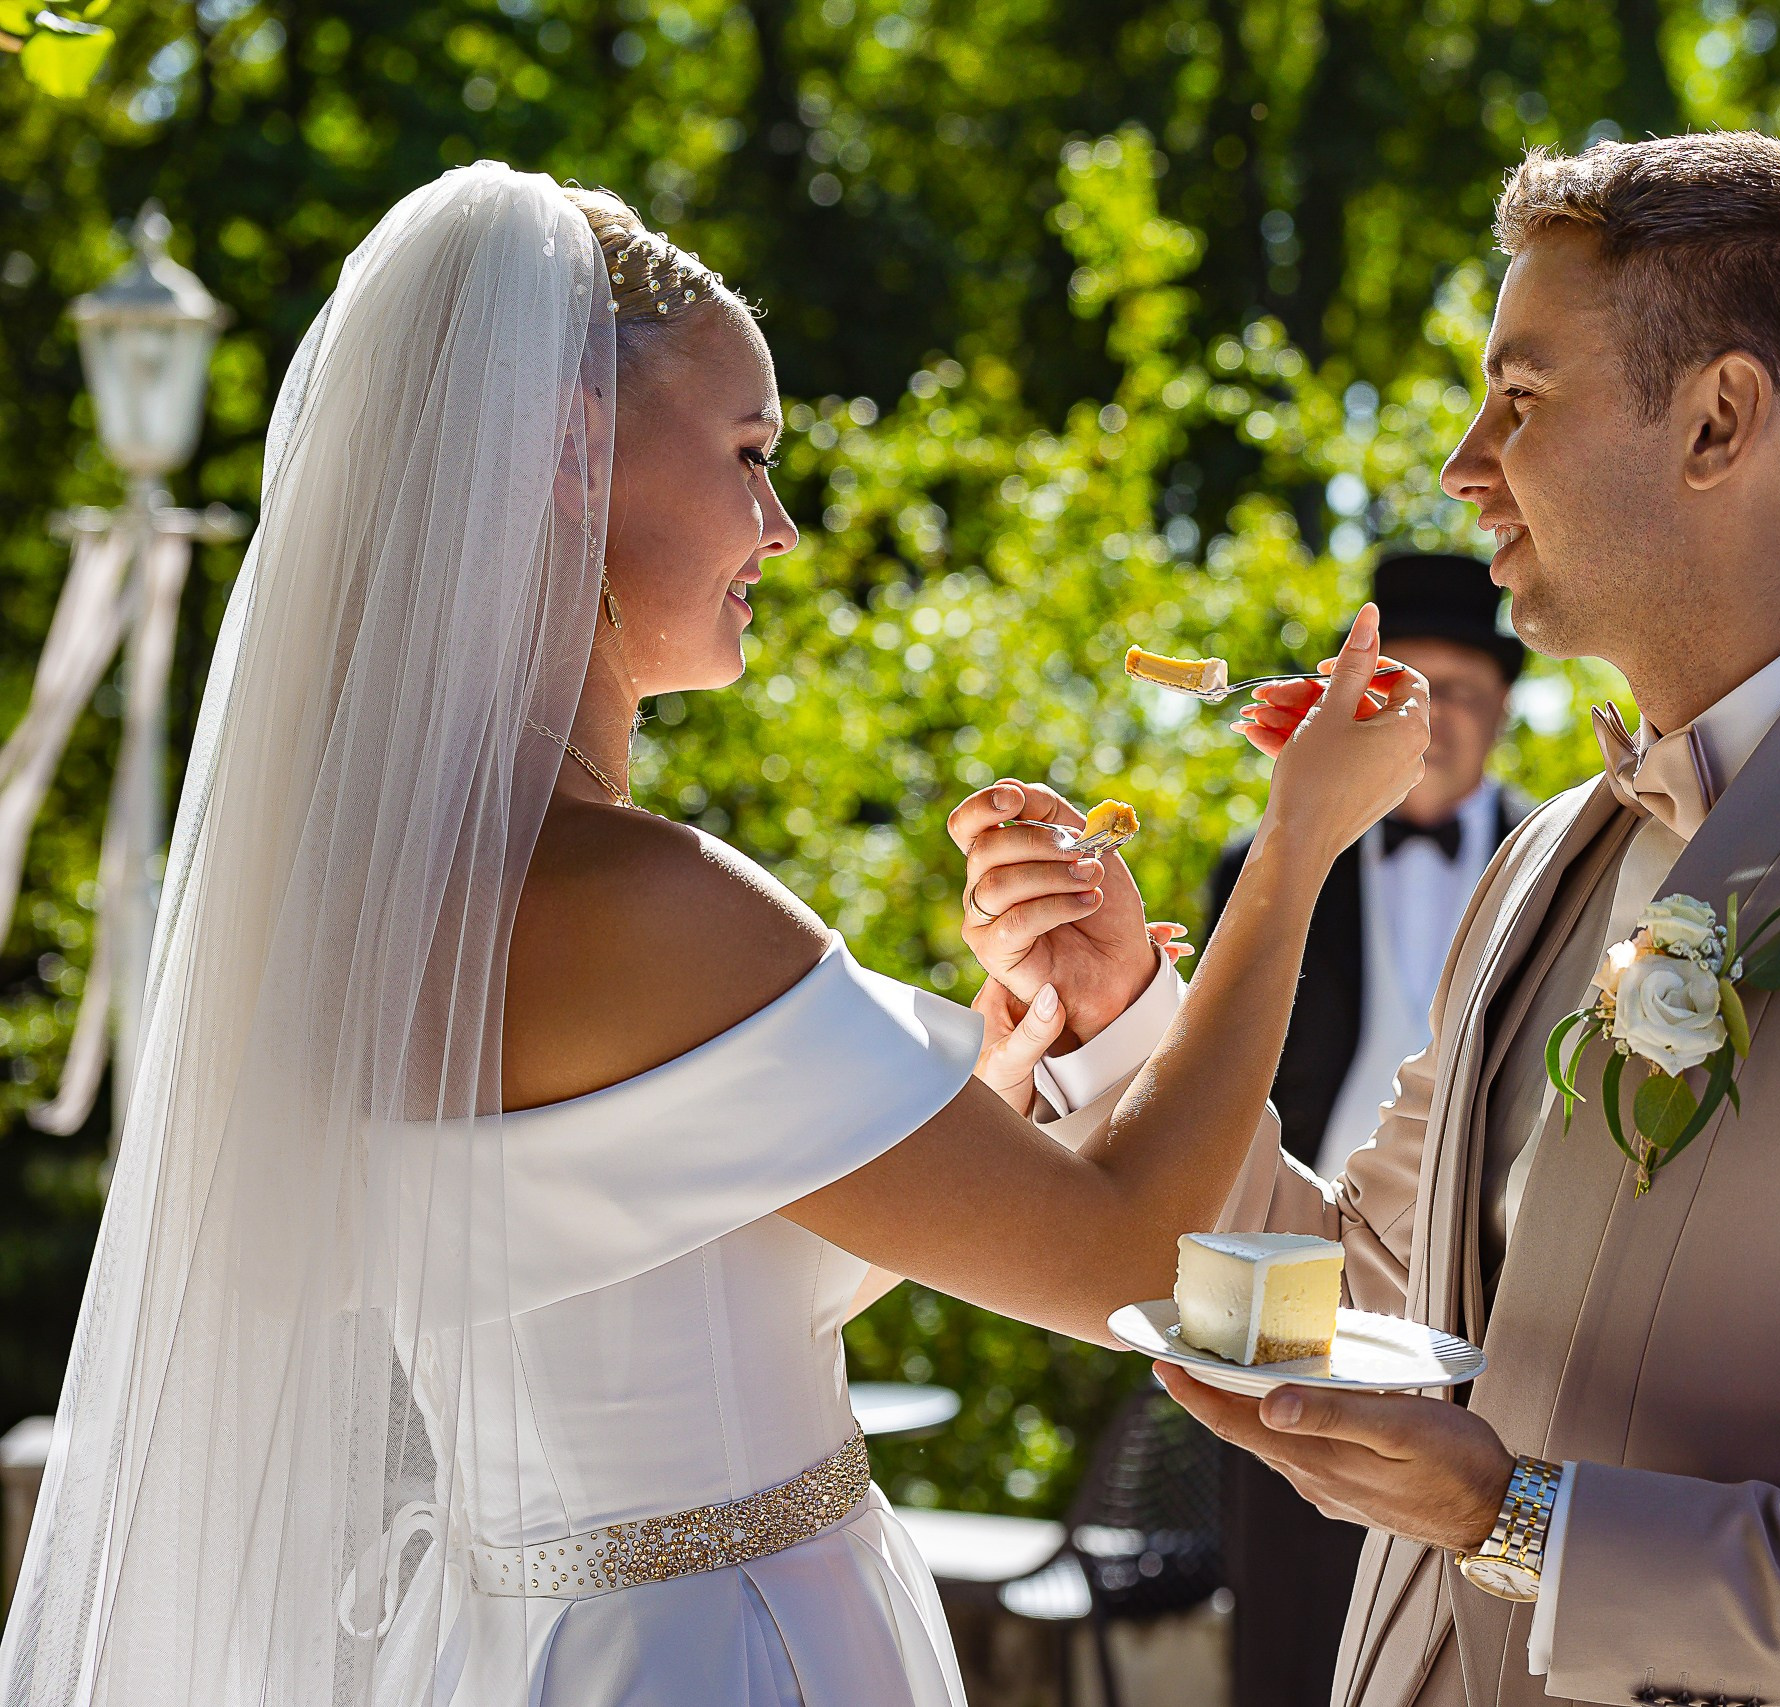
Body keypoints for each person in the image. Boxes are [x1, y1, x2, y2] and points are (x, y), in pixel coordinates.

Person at [0, 164, 1429, 1707]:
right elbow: (1133, 1262)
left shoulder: (377, 909)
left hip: (516, 1646)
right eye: (749, 454)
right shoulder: (650, 901)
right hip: (735, 1649)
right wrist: (1299, 847)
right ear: (572, 447)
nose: (786, 526)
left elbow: (690, 1234)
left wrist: (1020, 1036)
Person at [960, 131, 1780, 1707]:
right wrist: (1126, 1002)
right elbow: (1362, 1289)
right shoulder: (1545, 854)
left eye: (1521, 398)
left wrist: (1515, 1517)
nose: (1468, 461)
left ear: (1718, 421)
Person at [1196, 553, 1528, 1707]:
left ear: (1500, 709)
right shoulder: (1271, 857)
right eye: (1409, 689)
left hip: (1498, 1283)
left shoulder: (1558, 865)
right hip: (1296, 1264)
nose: (1435, 722)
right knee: (1290, 1594)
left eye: (1466, 693)